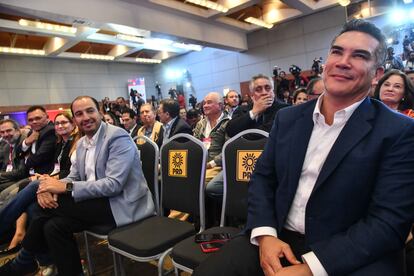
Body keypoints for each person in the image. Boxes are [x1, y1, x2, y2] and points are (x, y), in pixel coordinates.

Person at [194, 19, 414, 276]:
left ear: (376, 74)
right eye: (337, 51)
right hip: (277, 236)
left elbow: (388, 222)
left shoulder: (398, 131)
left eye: (359, 55)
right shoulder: (289, 118)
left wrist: (312, 267)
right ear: (326, 61)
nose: (343, 61)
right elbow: (264, 179)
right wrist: (265, 235)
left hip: (346, 249)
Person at [0, 96, 156, 276]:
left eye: (90, 111)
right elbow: (74, 176)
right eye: (79, 114)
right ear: (75, 119)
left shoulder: (117, 137)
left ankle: (23, 260)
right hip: (92, 202)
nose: (86, 117)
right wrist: (47, 188)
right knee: (53, 225)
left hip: (120, 204)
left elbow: (114, 185)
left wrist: (62, 188)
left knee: (36, 198)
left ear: (100, 112)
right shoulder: (82, 143)